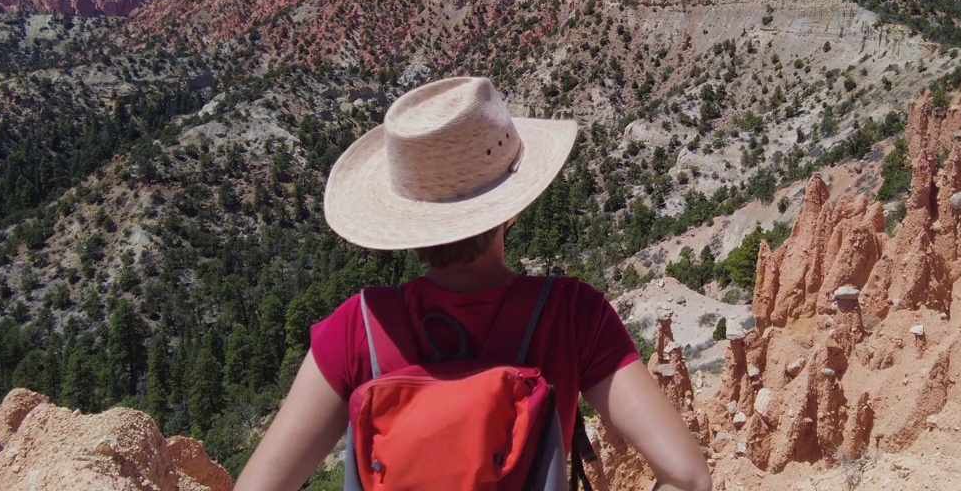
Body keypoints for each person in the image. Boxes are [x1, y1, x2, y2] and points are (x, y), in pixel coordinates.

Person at [236, 76, 711, 491]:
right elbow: (688, 477)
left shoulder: (355, 329)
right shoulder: (573, 313)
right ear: (513, 204)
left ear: (404, 222)